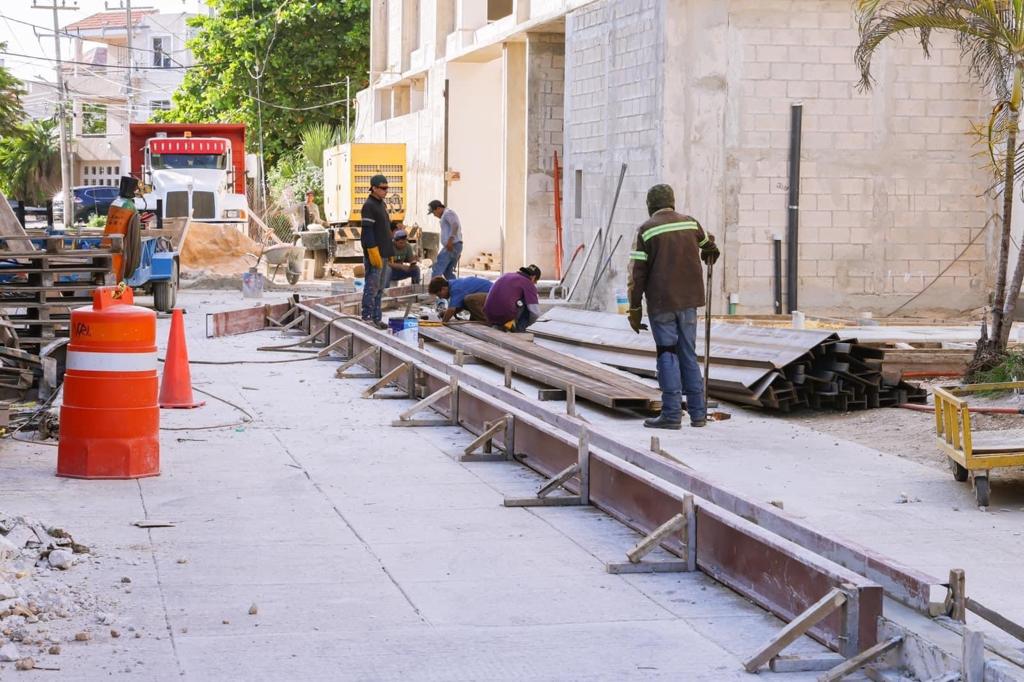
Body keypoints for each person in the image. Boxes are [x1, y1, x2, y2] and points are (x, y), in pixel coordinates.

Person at [627, 183, 720, 430]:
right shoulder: (690, 223)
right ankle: (699, 414)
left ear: (650, 205)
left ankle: (671, 414)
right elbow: (707, 248)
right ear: (672, 201)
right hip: (689, 302)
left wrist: (634, 309)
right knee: (688, 353)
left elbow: (637, 275)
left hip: (661, 303)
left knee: (667, 353)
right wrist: (710, 247)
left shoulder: (646, 230)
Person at [360, 174, 395, 329]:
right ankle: (366, 317)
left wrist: (390, 250)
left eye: (387, 188)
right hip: (375, 253)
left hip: (384, 252)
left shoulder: (381, 204)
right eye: (383, 188)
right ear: (373, 188)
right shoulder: (369, 205)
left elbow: (385, 229)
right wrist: (372, 250)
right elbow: (367, 232)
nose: (385, 191)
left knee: (380, 288)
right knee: (372, 287)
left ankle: (376, 318)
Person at [484, 265, 542, 333]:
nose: (535, 284)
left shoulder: (506, 275)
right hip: (505, 317)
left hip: (488, 315)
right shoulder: (528, 283)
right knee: (527, 305)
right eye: (536, 281)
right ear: (533, 277)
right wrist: (526, 324)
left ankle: (501, 326)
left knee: (518, 300)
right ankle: (518, 331)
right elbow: (535, 313)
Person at [428, 199, 463, 280]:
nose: (434, 215)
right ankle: (455, 288)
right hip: (455, 245)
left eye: (433, 212)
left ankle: (434, 290)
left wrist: (451, 240)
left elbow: (455, 225)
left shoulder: (448, 213)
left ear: (438, 208)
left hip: (452, 245)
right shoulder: (447, 214)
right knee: (448, 272)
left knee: (437, 269)